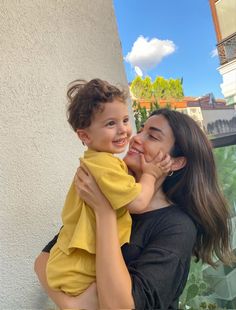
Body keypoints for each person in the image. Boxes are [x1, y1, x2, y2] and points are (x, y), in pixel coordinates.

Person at [35, 108, 235, 310]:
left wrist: (105, 213)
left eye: (153, 136)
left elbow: (119, 306)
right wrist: (71, 304)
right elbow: (44, 259)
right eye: (140, 130)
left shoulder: (177, 227)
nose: (136, 138)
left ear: (175, 162)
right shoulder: (108, 193)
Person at [46, 79, 171, 297]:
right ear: (85, 135)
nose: (124, 130)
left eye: (125, 120)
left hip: (70, 264)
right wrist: (150, 175)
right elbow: (138, 203)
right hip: (79, 269)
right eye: (110, 124)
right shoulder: (105, 165)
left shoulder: (101, 162)